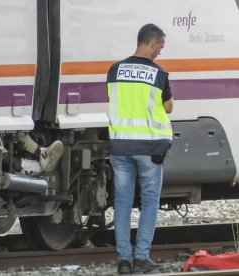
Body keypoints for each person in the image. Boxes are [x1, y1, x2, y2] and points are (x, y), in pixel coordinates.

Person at [106, 23, 173, 274]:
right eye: (161, 47)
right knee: (149, 202)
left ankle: (124, 261)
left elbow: (114, 100)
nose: (160, 52)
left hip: (120, 146)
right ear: (153, 43)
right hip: (149, 149)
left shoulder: (114, 71)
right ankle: (142, 259)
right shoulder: (158, 74)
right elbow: (167, 108)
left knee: (122, 203)